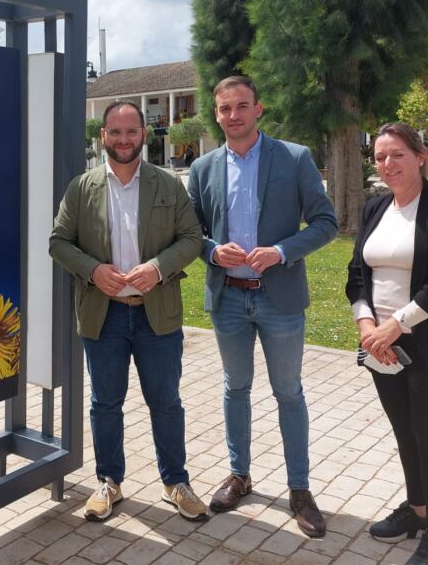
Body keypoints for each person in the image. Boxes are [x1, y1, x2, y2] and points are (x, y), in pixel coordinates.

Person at [187, 75, 337, 537]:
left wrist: (281, 251)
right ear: (216, 114)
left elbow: (326, 222)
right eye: (225, 108)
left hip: (281, 299)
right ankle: (240, 475)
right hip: (227, 297)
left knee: (288, 392)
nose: (233, 115)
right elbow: (189, 231)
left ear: (259, 109)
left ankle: (299, 489)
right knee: (235, 388)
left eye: (241, 106)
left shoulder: (293, 158)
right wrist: (211, 250)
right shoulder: (203, 167)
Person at [50, 100, 207, 522]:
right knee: (105, 404)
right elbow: (58, 242)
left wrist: (158, 268)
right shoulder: (81, 188)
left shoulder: (168, 184)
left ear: (144, 134)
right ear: (103, 137)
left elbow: (192, 238)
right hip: (104, 315)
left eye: (131, 132)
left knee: (166, 402)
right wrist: (93, 269)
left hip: (157, 313)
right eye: (115, 132)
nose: (123, 140)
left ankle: (176, 482)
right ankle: (109, 482)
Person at [346, 122, 428, 565]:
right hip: (383, 349)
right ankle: (418, 509)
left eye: (397, 154)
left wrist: (395, 325)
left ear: (421, 156)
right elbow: (357, 275)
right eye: (380, 157)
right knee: (406, 433)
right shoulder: (376, 207)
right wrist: (367, 324)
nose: (388, 165)